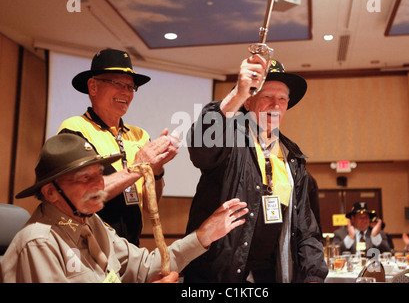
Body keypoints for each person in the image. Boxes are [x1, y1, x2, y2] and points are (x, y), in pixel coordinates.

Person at [0, 134, 248, 283]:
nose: (98, 184)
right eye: (84, 178)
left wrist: (205, 235)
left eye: (99, 174)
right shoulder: (39, 242)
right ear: (50, 192)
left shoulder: (91, 222)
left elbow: (144, 267)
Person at [183, 55, 328, 283]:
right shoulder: (229, 139)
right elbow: (201, 145)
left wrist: (314, 277)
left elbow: (306, 229)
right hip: (217, 275)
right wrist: (238, 93)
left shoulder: (292, 158)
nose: (276, 105)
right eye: (267, 96)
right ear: (248, 102)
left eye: (282, 99)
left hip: (270, 275)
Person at [58, 48, 179, 246]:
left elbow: (151, 206)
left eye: (131, 87)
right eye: (117, 83)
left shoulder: (139, 135)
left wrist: (157, 171)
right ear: (93, 87)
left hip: (131, 248)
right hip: (89, 247)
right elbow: (83, 196)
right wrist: (138, 167)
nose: (126, 92)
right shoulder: (75, 129)